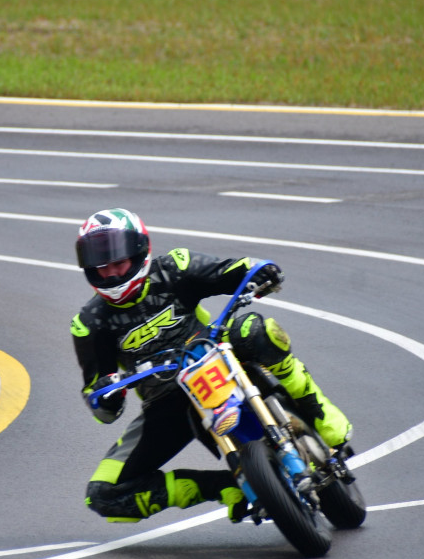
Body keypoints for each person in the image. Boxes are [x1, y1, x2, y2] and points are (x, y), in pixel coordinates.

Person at [70, 208, 351, 524]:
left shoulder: (174, 267)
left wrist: (259, 270)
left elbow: (231, 270)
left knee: (254, 329)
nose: (111, 275)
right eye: (102, 268)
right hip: (167, 401)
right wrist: (106, 394)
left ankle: (323, 414)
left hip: (217, 358)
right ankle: (228, 488)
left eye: (118, 264)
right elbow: (100, 399)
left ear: (140, 253)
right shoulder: (88, 324)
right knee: (103, 493)